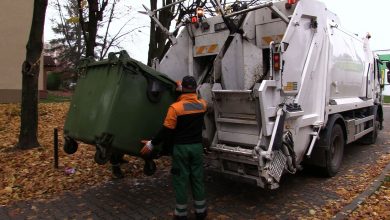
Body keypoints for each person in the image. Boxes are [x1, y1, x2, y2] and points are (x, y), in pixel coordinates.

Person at [140, 75, 207, 220]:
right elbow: (192, 100)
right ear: (195, 89)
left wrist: (152, 143)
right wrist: (182, 90)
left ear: (183, 89)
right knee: (197, 178)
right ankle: (201, 211)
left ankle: (181, 213)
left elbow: (166, 130)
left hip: (181, 149)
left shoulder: (175, 108)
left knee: (180, 179)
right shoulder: (202, 105)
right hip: (197, 148)